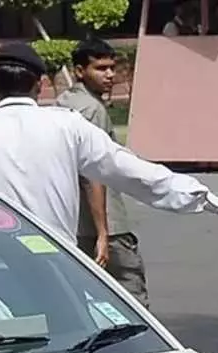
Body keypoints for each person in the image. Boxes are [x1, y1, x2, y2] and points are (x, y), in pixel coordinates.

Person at [0, 41, 218, 253]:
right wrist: (215, 204)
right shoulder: (67, 125)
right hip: (54, 265)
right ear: (40, 84)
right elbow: (135, 173)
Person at [56, 38, 149, 304]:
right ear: (80, 71)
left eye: (111, 68)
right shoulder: (92, 109)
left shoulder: (64, 103)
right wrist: (103, 232)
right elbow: (93, 172)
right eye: (100, 68)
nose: (109, 75)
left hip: (72, 221)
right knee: (130, 296)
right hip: (106, 223)